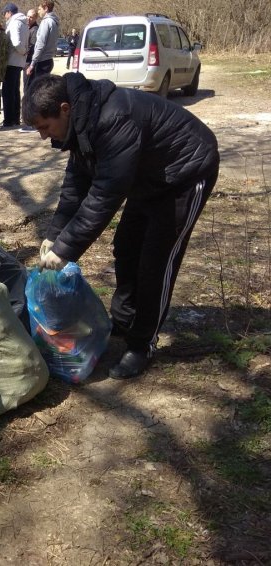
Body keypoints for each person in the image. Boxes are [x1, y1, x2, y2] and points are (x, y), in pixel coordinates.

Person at [23, 73, 220, 379]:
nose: (43, 136)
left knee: (157, 260)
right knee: (126, 246)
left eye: (45, 128)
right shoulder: (81, 122)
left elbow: (105, 193)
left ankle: (143, 345)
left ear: (64, 108)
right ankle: (125, 321)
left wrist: (66, 249)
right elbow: (76, 186)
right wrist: (53, 235)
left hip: (185, 173)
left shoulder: (114, 119)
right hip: (148, 177)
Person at [1, 3, 28, 128]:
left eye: (4, 13)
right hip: (19, 62)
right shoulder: (24, 23)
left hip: (11, 61)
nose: (4, 16)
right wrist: (23, 53)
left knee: (7, 92)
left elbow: (16, 42)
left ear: (9, 13)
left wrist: (23, 51)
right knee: (15, 91)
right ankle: (16, 118)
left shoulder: (14, 22)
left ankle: (9, 120)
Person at [25, 0, 60, 80]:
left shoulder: (46, 22)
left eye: (40, 9)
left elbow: (41, 44)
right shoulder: (54, 22)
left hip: (42, 62)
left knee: (38, 89)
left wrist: (32, 64)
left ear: (46, 9)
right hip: (49, 60)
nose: (38, 11)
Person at [19, 8, 39, 132]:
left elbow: (32, 48)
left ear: (35, 18)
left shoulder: (35, 30)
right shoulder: (27, 29)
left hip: (30, 62)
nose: (28, 19)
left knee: (29, 90)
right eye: (27, 16)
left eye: (31, 17)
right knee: (26, 90)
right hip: (25, 62)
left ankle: (30, 121)